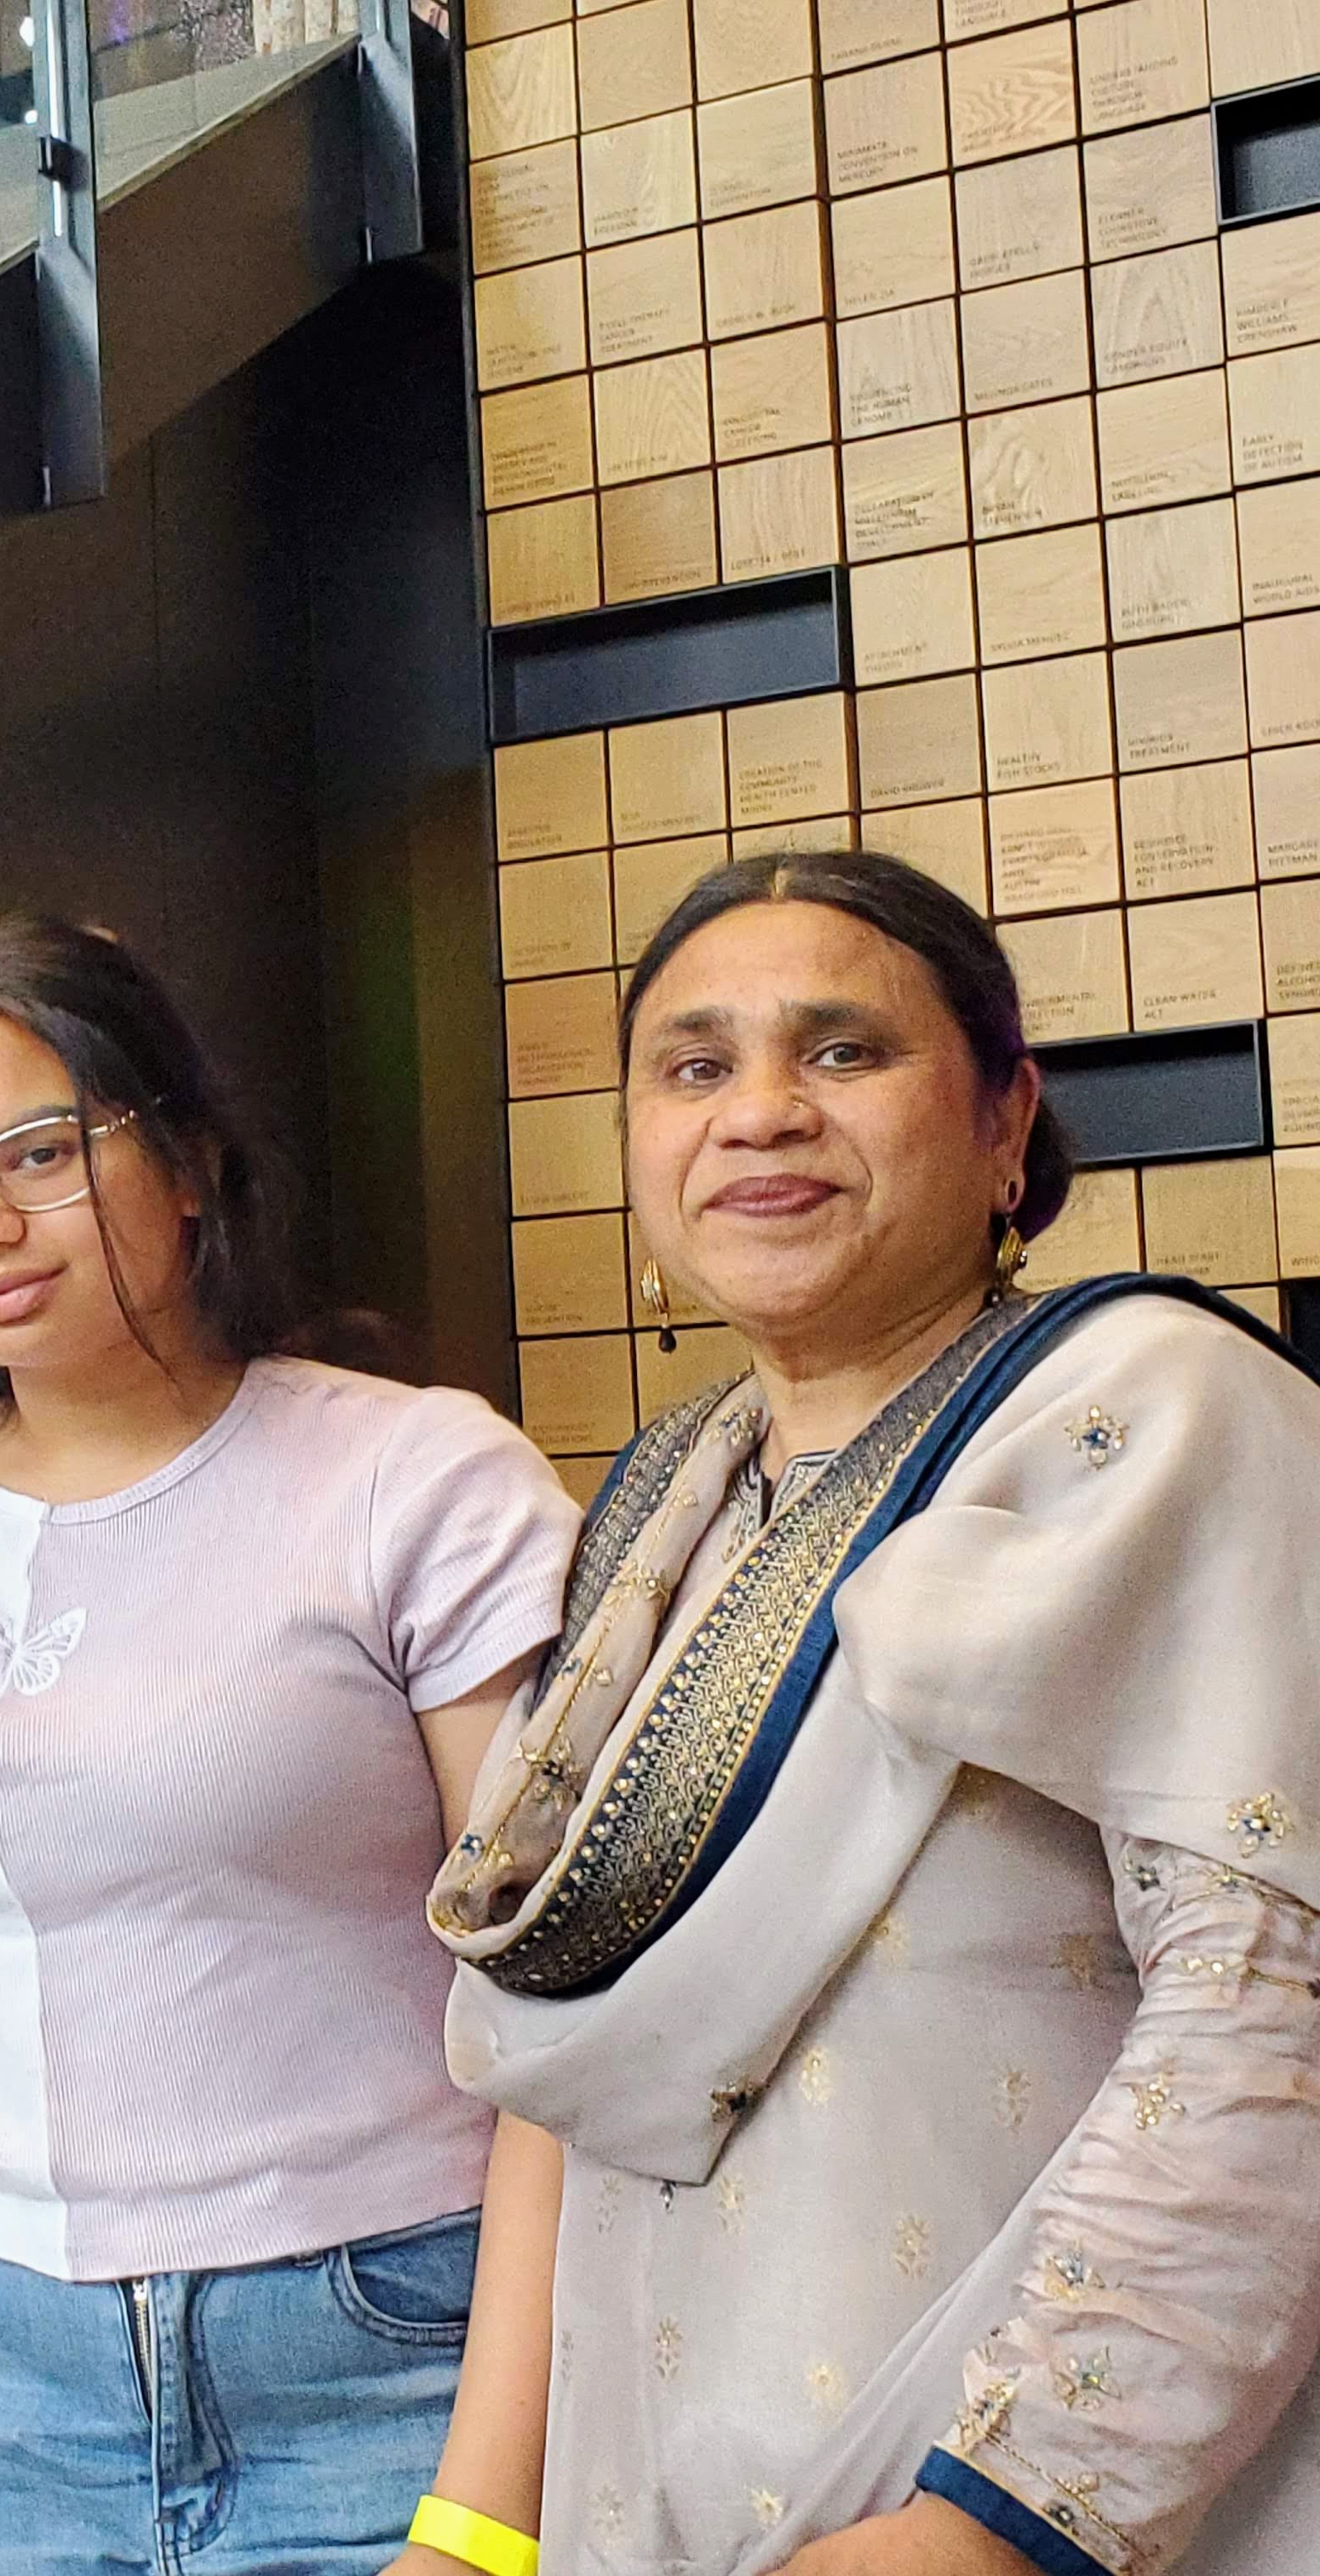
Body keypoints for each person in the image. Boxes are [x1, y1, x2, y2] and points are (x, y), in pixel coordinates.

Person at [430, 848, 1320, 2576]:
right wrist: (475, 2535)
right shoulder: (668, 1502)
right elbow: (570, 2084)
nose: (759, 1113)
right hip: (672, 2495)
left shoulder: (1159, 1414)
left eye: (844, 1054)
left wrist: (1000, 2521)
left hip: (1044, 2516)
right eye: (695, 1068)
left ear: (1007, 1124)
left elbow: (1271, 2007)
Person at [0, 917, 580, 2576]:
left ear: (188, 1162)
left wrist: (491, 2514)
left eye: (40, 1153)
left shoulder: (418, 1484)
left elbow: (561, 2016)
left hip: (384, 2346)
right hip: (9, 2389)